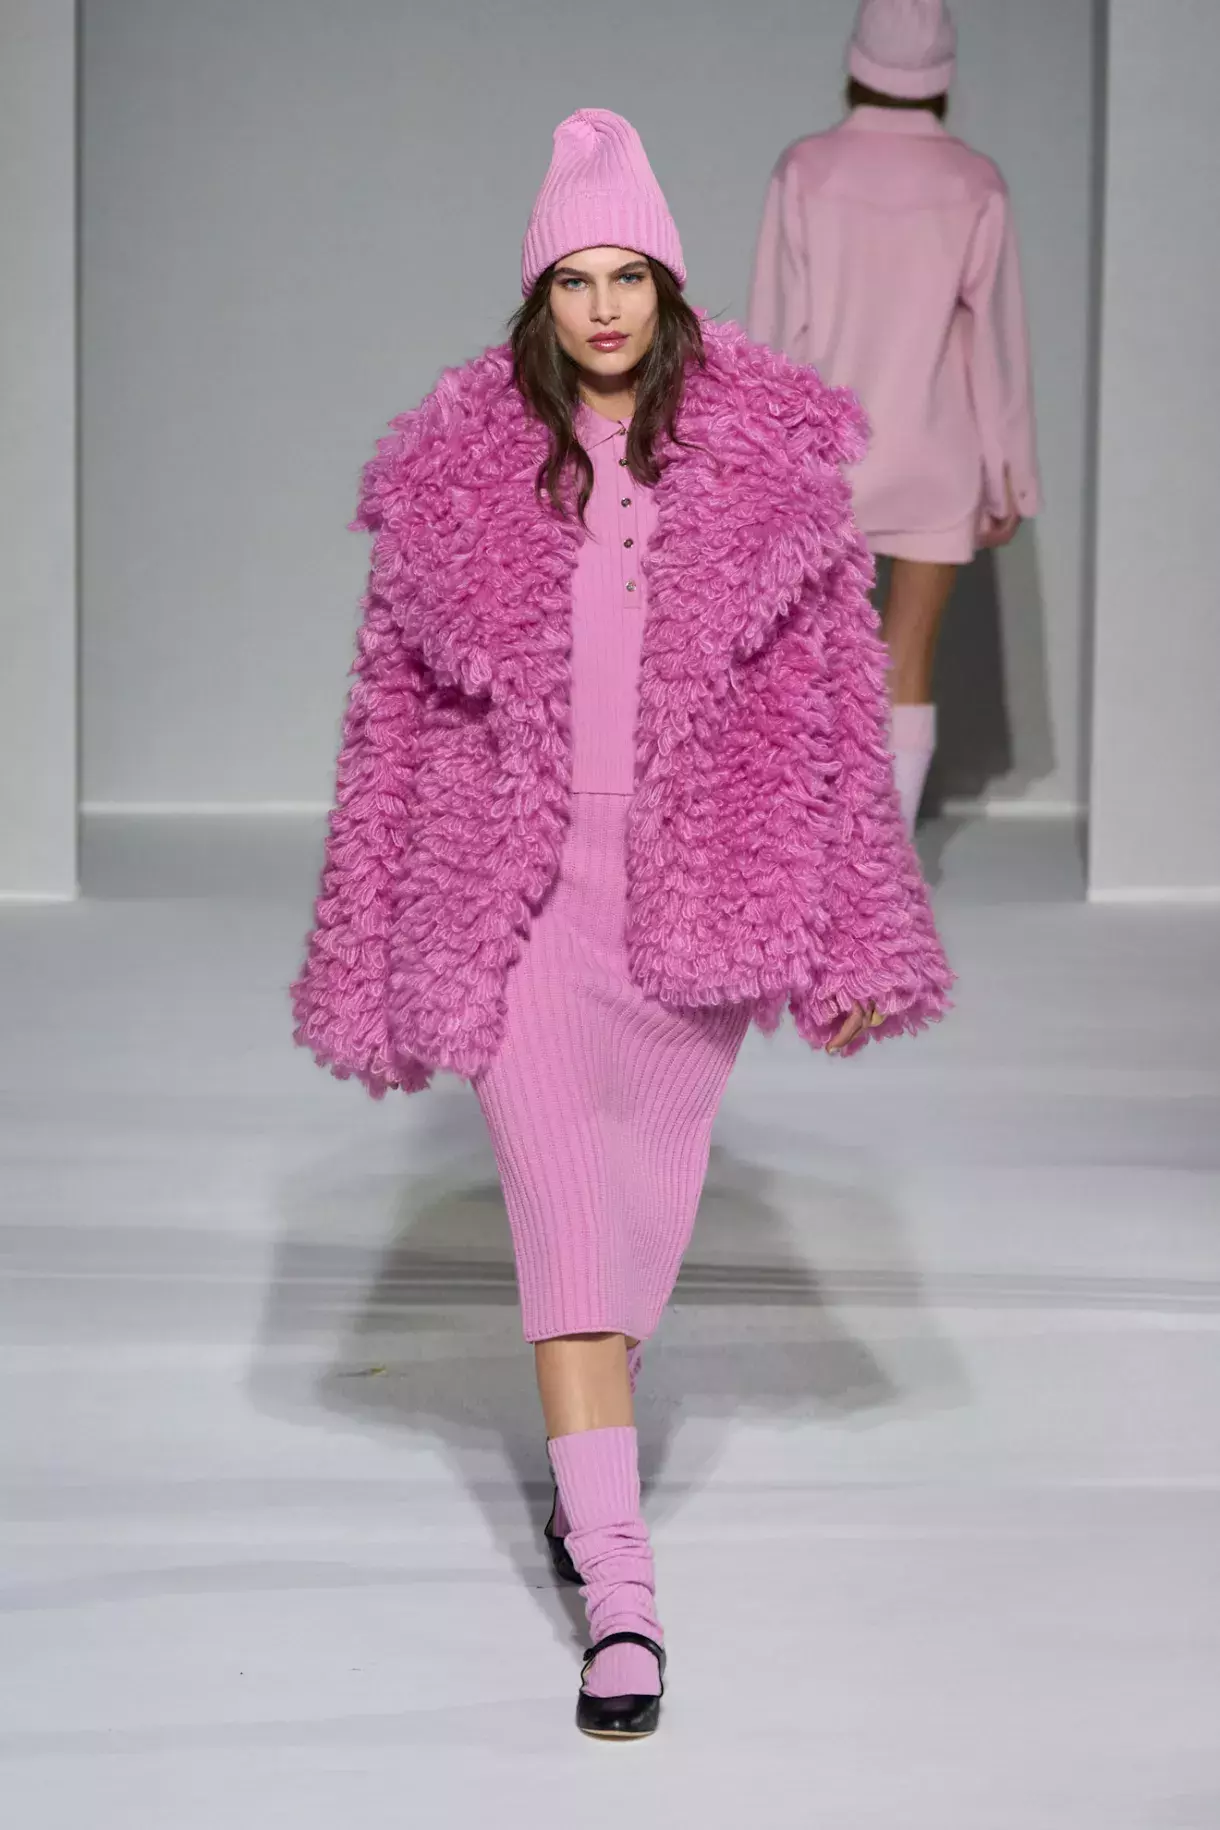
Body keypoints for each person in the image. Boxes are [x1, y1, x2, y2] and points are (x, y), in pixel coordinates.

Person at [293, 108, 952, 1740]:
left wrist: (859, 936)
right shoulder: (456, 482)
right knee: (570, 1242)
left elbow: (838, 716)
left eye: (628, 276)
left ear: (668, 286)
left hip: (685, 905)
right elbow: (387, 732)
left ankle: (585, 1476)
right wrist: (366, 946)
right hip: (513, 905)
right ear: (540, 296)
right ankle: (623, 1592)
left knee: (635, 1229)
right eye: (574, 279)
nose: (602, 308)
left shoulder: (770, 476)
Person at [749, 0, 1041, 832]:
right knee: (907, 659)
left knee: (809, 664)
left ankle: (813, 858)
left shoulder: (807, 171)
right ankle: (888, 866)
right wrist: (1010, 477)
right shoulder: (974, 183)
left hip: (830, 461)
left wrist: (758, 465)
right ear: (942, 76)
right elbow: (998, 347)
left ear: (857, 64)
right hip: (936, 458)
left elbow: (777, 335)